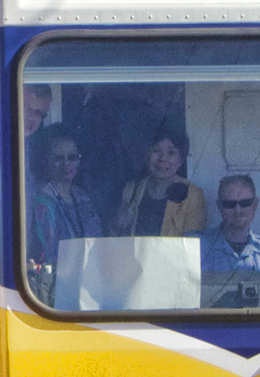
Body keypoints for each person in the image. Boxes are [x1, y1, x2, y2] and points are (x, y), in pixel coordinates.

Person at [26, 125, 102, 299]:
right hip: (53, 289)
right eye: (58, 158)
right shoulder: (38, 199)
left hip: (89, 284)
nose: (66, 164)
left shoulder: (83, 196)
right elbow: (47, 249)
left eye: (72, 157)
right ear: (45, 160)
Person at [108, 127, 207, 240]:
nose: (163, 158)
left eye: (171, 152)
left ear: (181, 160)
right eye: (156, 150)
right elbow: (114, 237)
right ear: (147, 155)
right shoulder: (131, 190)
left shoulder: (193, 195)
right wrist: (117, 225)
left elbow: (192, 246)